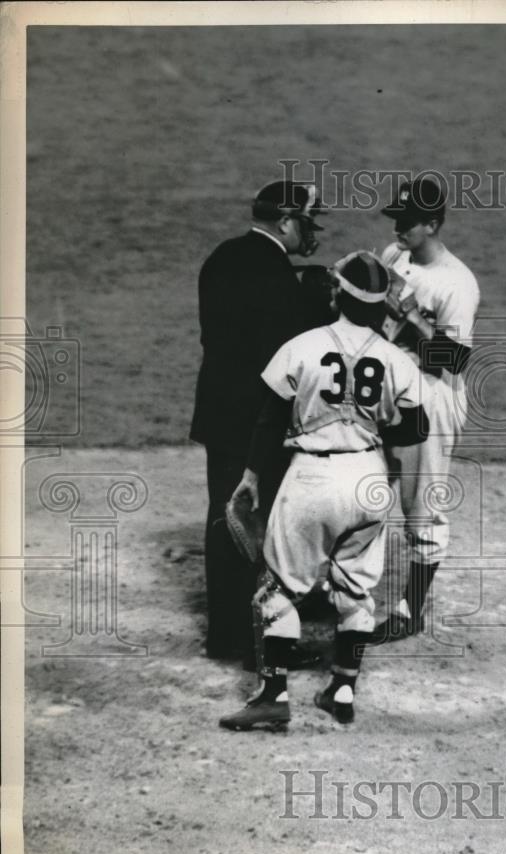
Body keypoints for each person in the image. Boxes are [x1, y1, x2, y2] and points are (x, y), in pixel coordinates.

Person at [219, 252, 428, 731]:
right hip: (370, 481)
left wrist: (251, 477)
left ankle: (272, 696)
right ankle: (343, 688)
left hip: (312, 479)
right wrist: (372, 428)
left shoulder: (303, 346)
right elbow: (417, 428)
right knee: (356, 587)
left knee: (277, 588)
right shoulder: (395, 358)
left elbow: (269, 420)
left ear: (338, 295)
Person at [190, 180, 329, 661]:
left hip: (219, 413)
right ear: (285, 221)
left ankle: (227, 632)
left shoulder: (222, 256)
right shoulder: (278, 278)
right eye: (306, 222)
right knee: (264, 524)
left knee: (226, 517)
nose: (310, 232)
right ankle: (255, 640)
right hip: (258, 422)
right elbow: (290, 354)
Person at [371, 176, 480, 641]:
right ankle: (340, 586)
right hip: (387, 391)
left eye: (409, 221)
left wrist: (412, 316)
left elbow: (454, 359)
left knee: (421, 510)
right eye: (396, 218)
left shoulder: (457, 283)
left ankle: (410, 610)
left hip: (433, 399)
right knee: (362, 491)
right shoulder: (392, 255)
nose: (398, 227)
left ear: (432, 224)